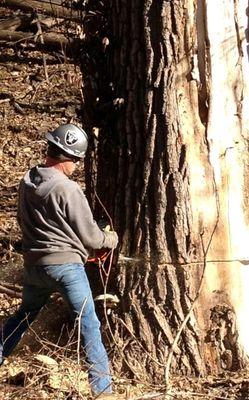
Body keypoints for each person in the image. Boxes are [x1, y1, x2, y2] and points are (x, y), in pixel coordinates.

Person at [0, 124, 119, 398]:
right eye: (76, 160)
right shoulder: (68, 189)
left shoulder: (27, 181)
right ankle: (103, 391)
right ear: (69, 158)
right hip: (66, 269)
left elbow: (29, 222)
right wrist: (110, 239)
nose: (77, 166)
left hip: (34, 267)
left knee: (23, 316)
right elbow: (91, 237)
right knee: (88, 323)